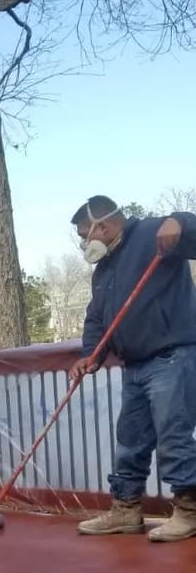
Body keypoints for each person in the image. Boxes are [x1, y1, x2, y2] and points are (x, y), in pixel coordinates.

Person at [68, 196, 196, 541]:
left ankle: (189, 511)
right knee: (130, 441)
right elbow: (97, 317)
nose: (85, 243)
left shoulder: (154, 232)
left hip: (171, 357)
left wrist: (181, 221)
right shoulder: (104, 268)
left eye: (85, 234)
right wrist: (91, 354)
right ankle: (126, 510)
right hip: (135, 366)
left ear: (104, 226)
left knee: (173, 437)